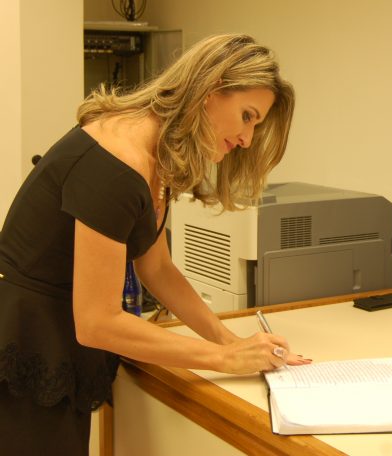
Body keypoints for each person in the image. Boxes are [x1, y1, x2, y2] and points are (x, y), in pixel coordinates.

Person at [0, 33, 310, 455]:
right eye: (247, 116)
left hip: (59, 335)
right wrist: (223, 359)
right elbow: (97, 321)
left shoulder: (156, 152)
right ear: (211, 88)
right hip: (28, 341)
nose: (247, 139)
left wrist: (228, 340)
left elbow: (157, 267)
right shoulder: (116, 165)